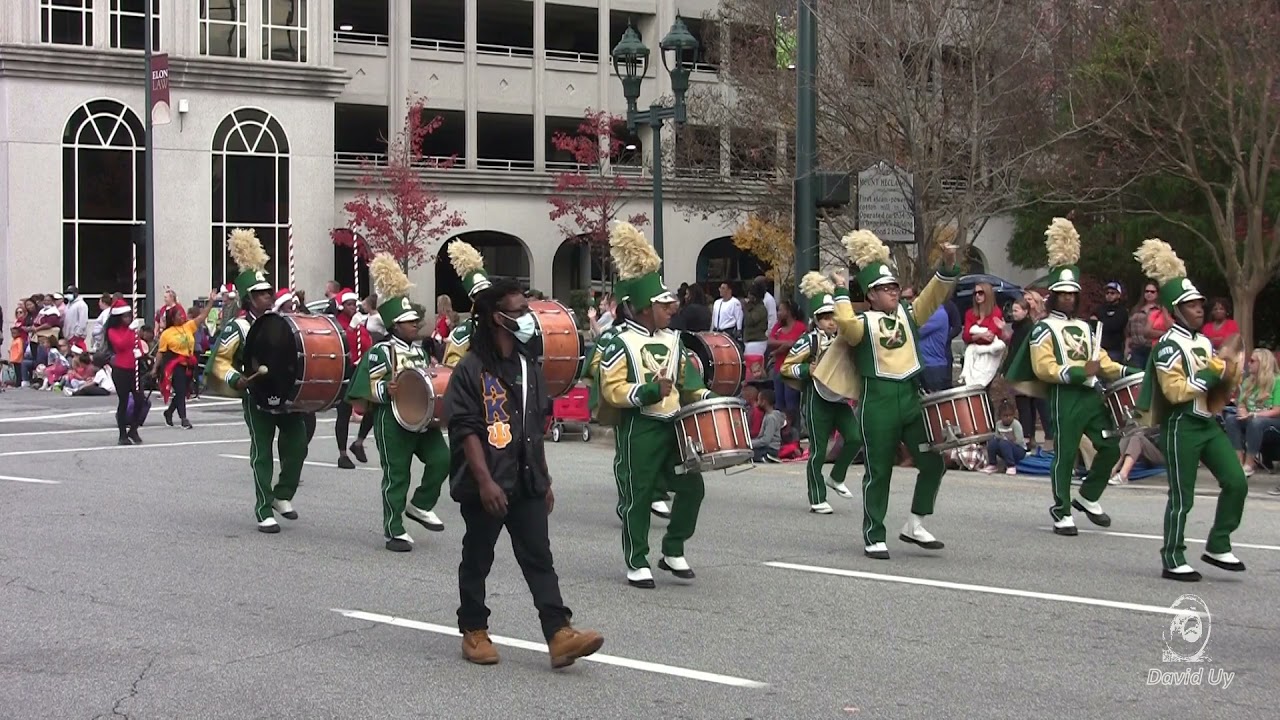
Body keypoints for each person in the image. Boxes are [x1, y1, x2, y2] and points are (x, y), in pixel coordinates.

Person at [444, 277, 605, 668]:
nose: (527, 317)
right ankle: (474, 630)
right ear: (497, 318)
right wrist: (484, 482)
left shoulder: (527, 363)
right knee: (478, 556)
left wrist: (544, 479)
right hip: (487, 482)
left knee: (539, 557)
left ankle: (558, 634)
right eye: (518, 311)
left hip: (527, 478)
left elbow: (533, 425)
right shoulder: (471, 369)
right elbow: (465, 429)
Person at [829, 228, 960, 559]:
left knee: (933, 462)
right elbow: (845, 325)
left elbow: (931, 296)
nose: (892, 292)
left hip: (910, 398)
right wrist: (842, 292)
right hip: (878, 401)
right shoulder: (862, 323)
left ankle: (915, 523)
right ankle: (874, 533)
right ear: (871, 295)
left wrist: (947, 265)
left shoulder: (908, 314)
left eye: (894, 287)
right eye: (885, 289)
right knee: (880, 470)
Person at [599, 222, 714, 588]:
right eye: (665, 304)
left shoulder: (677, 340)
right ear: (646, 308)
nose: (672, 308)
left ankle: (673, 548)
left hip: (675, 426)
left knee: (693, 488)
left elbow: (689, 382)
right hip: (641, 427)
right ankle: (636, 559)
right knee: (640, 494)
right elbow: (612, 389)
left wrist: (710, 399)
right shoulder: (619, 342)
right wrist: (648, 391)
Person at [1006, 218, 1138, 537]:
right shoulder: (1042, 328)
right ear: (1054, 297)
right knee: (1065, 455)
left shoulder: (1084, 327)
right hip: (1064, 398)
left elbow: (1101, 361)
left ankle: (1089, 496)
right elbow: (1043, 368)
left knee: (1109, 447)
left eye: (1072, 295)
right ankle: (1062, 510)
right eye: (1062, 294)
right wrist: (1080, 372)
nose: (1067, 299)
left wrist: (1131, 373)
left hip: (1091, 398)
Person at [1133, 238, 1248, 581]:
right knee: (1182, 496)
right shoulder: (1168, 345)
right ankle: (1173, 556)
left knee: (1236, 481)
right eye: (1192, 305)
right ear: (1176, 310)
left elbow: (1212, 381)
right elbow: (1175, 390)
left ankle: (1218, 542)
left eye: (1200, 304)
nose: (1200, 309)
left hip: (1207, 423)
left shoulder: (1201, 342)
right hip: (1181, 425)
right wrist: (1212, 372)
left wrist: (1228, 377)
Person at [347, 255, 449, 552]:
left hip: (422, 420)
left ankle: (420, 504)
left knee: (442, 459)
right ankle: (394, 529)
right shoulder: (381, 351)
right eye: (408, 322)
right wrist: (386, 390)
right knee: (397, 474)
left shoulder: (419, 351)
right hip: (392, 420)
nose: (415, 324)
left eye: (414, 320)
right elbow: (368, 386)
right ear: (394, 324)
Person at [210, 229, 308, 534]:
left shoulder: (283, 323)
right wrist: (236, 378)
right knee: (262, 452)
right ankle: (264, 508)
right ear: (249, 298)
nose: (269, 296)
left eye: (269, 293)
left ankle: (283, 494)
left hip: (286, 393)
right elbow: (219, 362)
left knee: (299, 446)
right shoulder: (238, 327)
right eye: (263, 293)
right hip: (257, 396)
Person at [782, 272, 861, 514]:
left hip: (840, 398)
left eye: (833, 317)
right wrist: (808, 368)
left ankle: (836, 477)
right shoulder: (809, 341)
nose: (830, 322)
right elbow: (786, 367)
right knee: (818, 450)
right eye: (825, 317)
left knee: (856, 438)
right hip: (817, 398)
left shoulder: (843, 338)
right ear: (816, 320)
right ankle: (817, 497)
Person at [153, 292, 216, 429]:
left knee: (183, 391)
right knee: (180, 391)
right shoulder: (166, 334)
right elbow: (160, 353)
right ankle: (184, 418)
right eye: (178, 315)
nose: (182, 316)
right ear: (172, 318)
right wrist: (155, 369)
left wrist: (211, 302)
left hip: (189, 364)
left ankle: (169, 412)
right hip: (174, 365)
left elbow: (202, 316)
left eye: (182, 314)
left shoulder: (188, 326)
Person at [333, 288, 377, 469]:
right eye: (348, 304)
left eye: (354, 304)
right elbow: (342, 344)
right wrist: (351, 328)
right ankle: (342, 454)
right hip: (345, 371)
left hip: (361, 370)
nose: (352, 307)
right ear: (341, 306)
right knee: (343, 412)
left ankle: (359, 442)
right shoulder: (338, 323)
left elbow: (367, 343)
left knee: (372, 407)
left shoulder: (359, 324)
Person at [1222, 348, 1280, 477]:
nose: (1249, 363)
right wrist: (1242, 411)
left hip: (1273, 423)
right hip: (1252, 419)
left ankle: (1249, 464)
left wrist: (1254, 414)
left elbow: (1277, 410)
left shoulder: (1277, 381)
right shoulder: (1249, 381)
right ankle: (1238, 461)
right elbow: (1241, 403)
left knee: (1256, 422)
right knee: (1231, 419)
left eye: (1252, 361)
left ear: (1263, 363)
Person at [442, 240, 493, 368]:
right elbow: (452, 370)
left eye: (489, 293)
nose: (487, 298)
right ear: (472, 298)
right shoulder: (462, 334)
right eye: (480, 295)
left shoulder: (505, 324)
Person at [104, 299, 146, 445]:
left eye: (129, 316)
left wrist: (140, 352)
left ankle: (133, 429)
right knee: (124, 401)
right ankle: (122, 434)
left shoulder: (132, 329)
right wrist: (130, 330)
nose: (128, 319)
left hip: (134, 368)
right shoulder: (112, 331)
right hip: (121, 370)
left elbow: (137, 344)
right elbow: (121, 344)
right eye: (125, 316)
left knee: (140, 400)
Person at [767, 299, 806, 429]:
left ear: (789, 311)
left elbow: (800, 344)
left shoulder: (800, 326)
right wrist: (786, 344)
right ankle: (781, 431)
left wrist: (781, 348)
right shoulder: (778, 327)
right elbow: (770, 342)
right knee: (779, 403)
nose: (778, 313)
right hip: (779, 369)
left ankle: (794, 431)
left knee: (791, 403)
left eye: (781, 310)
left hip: (793, 370)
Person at [980, 401, 1025, 475]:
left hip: (1018, 450)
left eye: (1010, 415)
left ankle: (1011, 466)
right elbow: (997, 437)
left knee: (1003, 443)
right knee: (992, 442)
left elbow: (1019, 441)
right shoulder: (998, 424)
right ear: (1000, 416)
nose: (1008, 418)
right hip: (1004, 447)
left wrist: (1007, 442)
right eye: (1005, 416)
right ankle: (992, 464)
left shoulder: (1016, 424)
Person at [1091, 282, 1129, 363]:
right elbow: (1092, 323)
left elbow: (1114, 326)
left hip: (1114, 350)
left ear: (1119, 295)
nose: (1109, 295)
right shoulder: (1100, 309)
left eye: (1112, 293)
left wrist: (1100, 322)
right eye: (1107, 293)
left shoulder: (1122, 311)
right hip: (1099, 348)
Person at [750, 388, 783, 463]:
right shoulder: (768, 415)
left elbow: (766, 440)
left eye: (758, 400)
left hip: (770, 449)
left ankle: (767, 457)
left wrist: (750, 444)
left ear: (764, 402)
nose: (757, 403)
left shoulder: (771, 418)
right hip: (767, 447)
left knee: (748, 454)